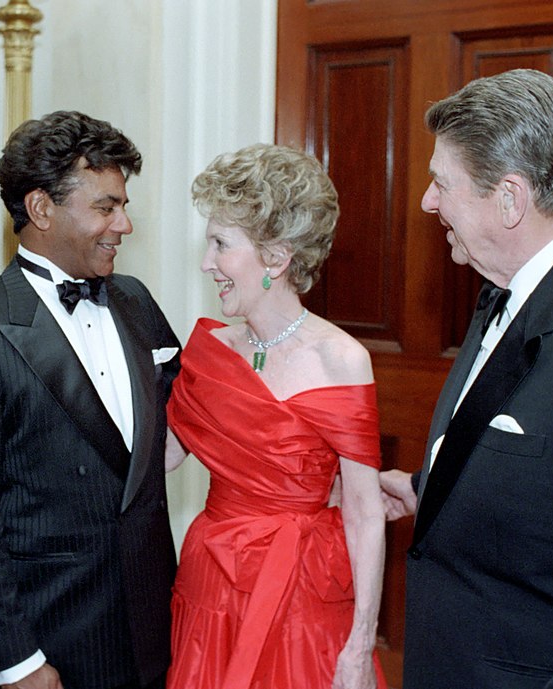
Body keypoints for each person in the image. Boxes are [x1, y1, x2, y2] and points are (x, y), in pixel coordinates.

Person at [380, 69, 553, 688]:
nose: (428, 202)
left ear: (510, 198)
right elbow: (545, 477)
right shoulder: (505, 292)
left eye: (441, 183)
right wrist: (427, 488)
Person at [0, 110, 181, 689]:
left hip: (156, 632)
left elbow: (177, 429)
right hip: (53, 647)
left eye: (125, 204)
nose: (125, 224)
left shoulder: (137, 302)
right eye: (106, 206)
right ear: (41, 209)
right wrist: (15, 661)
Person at [165, 143, 387, 689]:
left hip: (302, 596)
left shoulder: (341, 360)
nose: (206, 262)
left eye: (221, 244)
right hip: (211, 583)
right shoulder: (210, 352)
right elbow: (154, 460)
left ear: (275, 257)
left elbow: (364, 513)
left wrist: (359, 647)